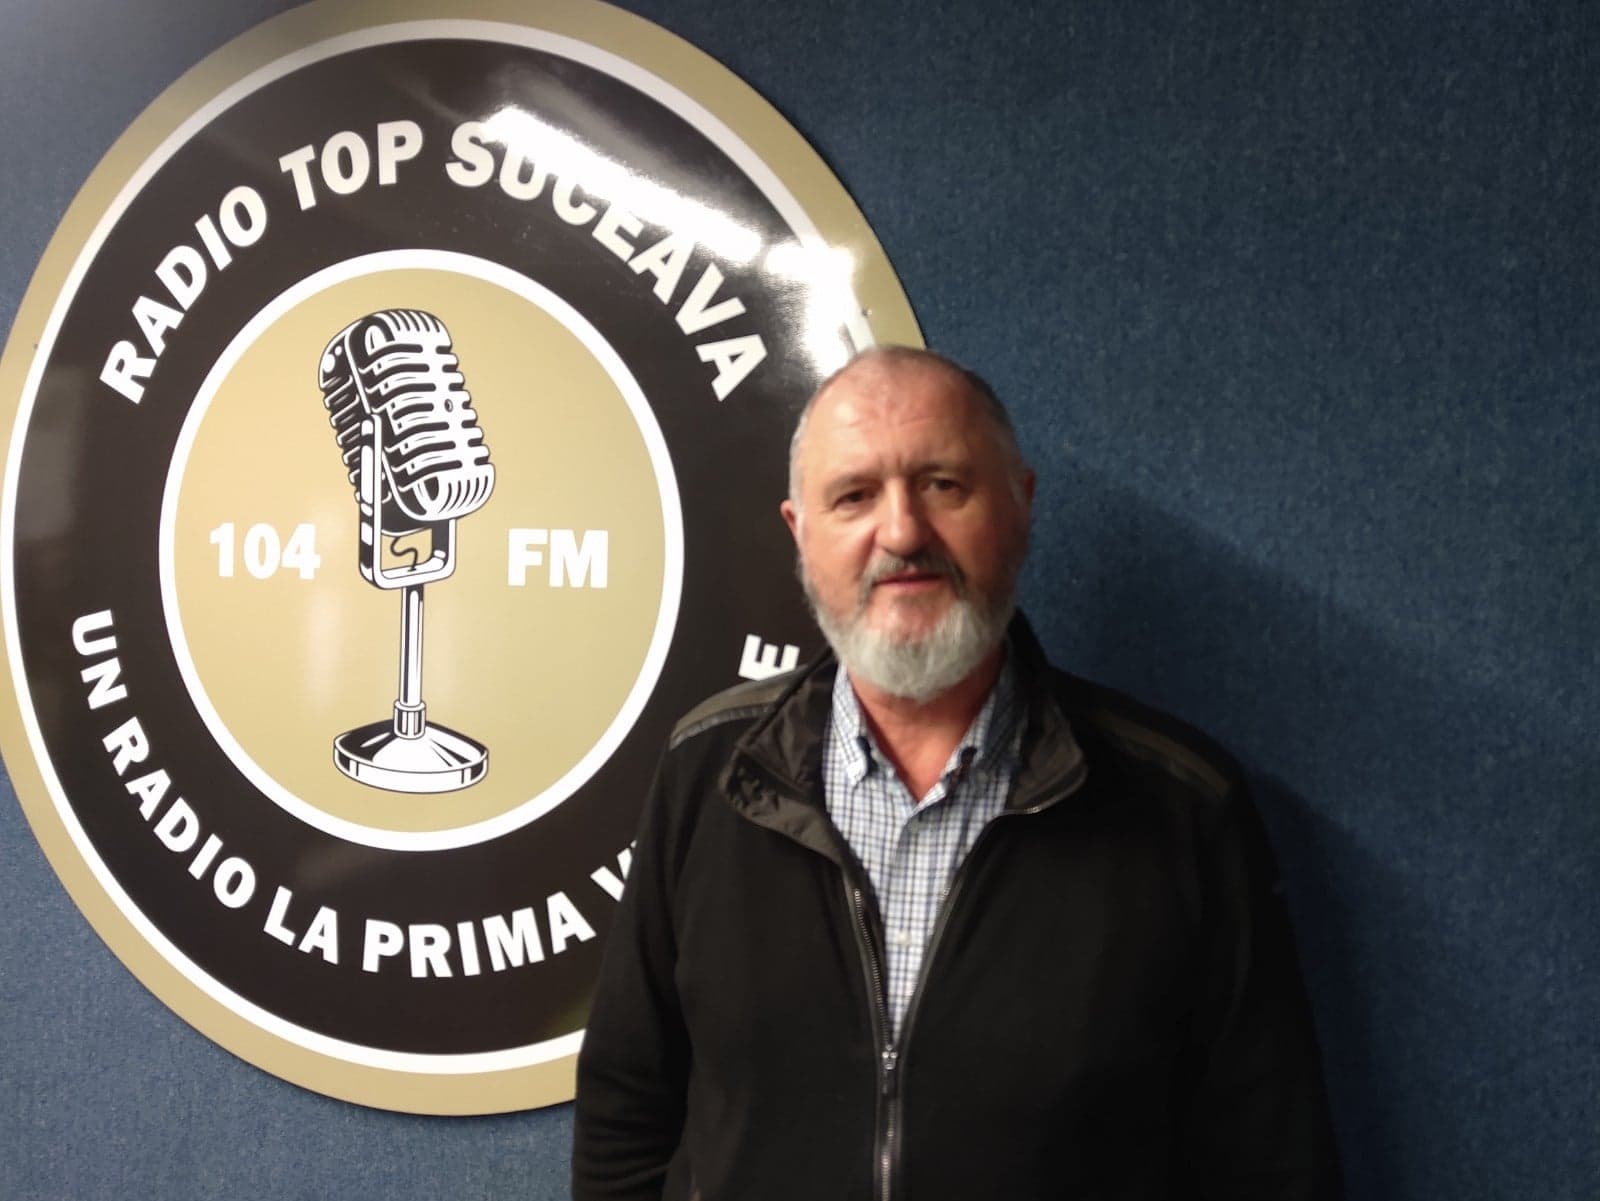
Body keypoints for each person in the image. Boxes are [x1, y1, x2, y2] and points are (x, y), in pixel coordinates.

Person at [573, 346, 1341, 1200]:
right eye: (854, 495)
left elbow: (1269, 1166)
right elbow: (626, 1113)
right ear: (801, 533)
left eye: (943, 485)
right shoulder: (708, 773)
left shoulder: (1183, 806)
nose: (902, 533)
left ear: (1020, 504)